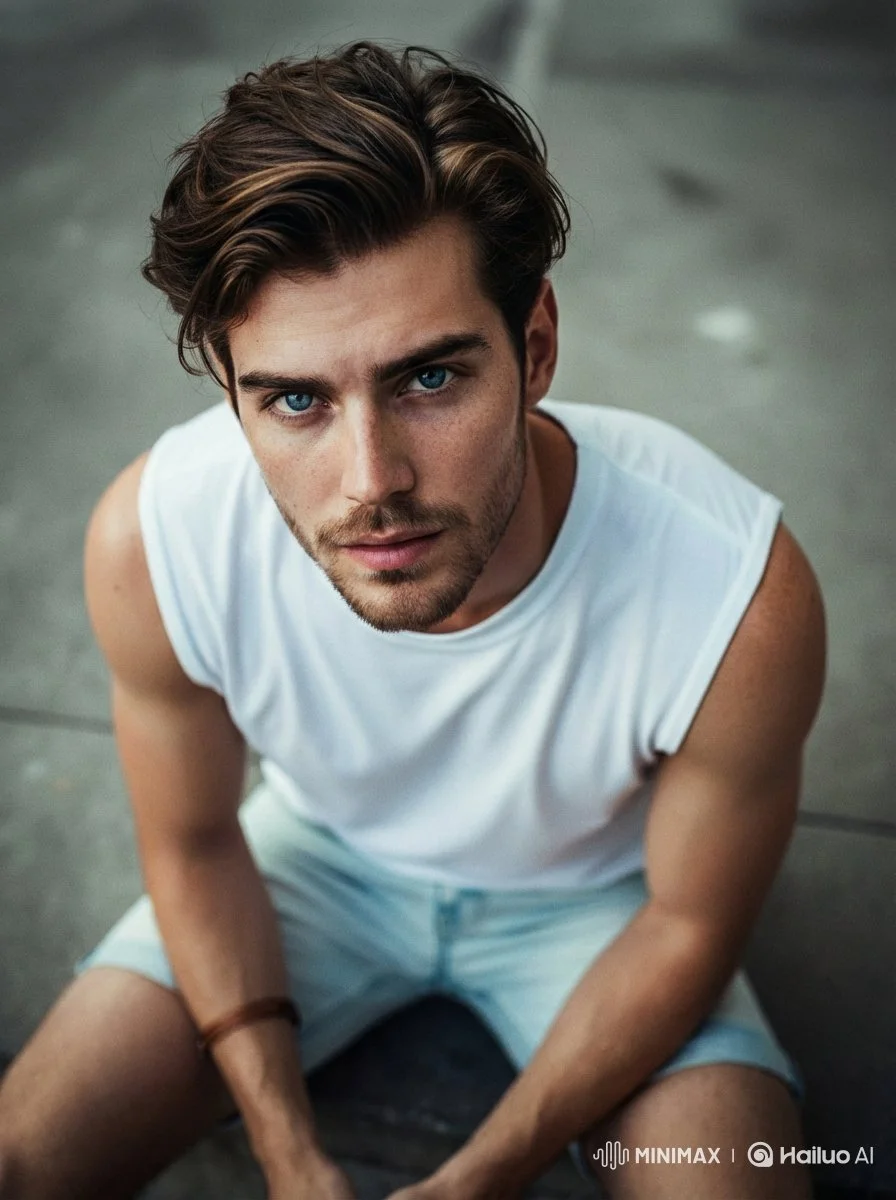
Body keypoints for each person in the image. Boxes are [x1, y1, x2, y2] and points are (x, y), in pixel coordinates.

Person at [0, 41, 826, 1200]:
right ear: (232, 390)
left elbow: (689, 925)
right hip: (317, 863)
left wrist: (479, 1176)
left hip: (604, 901)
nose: (369, 479)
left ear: (532, 346)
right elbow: (193, 843)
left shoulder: (732, 592)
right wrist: (289, 1158)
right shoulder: (157, 538)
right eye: (295, 399)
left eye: (430, 379)